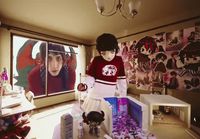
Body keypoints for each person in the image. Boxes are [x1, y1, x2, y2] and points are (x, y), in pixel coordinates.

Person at [78, 33, 127, 113]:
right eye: (103, 53)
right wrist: (85, 86)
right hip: (95, 97)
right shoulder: (96, 60)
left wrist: (123, 97)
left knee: (108, 119)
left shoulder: (119, 60)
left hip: (110, 97)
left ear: (115, 49)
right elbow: (91, 78)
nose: (108, 56)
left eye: (112, 52)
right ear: (100, 51)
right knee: (92, 119)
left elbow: (122, 81)